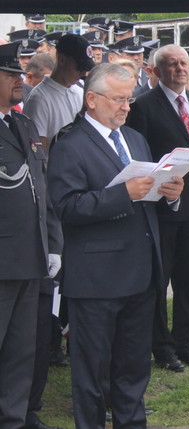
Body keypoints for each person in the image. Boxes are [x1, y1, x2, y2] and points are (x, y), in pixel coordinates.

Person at [48, 63, 183, 429]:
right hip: (96, 280)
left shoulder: (134, 139)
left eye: (129, 99)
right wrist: (122, 194)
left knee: (133, 368)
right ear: (91, 100)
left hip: (140, 274)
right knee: (91, 374)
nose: (126, 107)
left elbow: (146, 197)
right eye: (119, 100)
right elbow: (66, 207)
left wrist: (169, 193)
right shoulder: (70, 143)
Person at [127, 44, 189, 372]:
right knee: (160, 281)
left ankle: (184, 342)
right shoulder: (143, 107)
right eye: (172, 65)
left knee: (188, 280)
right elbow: (138, 159)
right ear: (156, 71)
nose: (180, 69)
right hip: (161, 211)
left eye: (183, 63)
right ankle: (162, 348)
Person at [0, 42, 62, 429]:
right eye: (10, 75)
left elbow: (43, 190)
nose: (20, 81)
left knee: (22, 347)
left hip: (32, 255)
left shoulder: (22, 124)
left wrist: (53, 243)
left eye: (19, 74)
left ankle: (14, 415)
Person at [24, 33, 95, 151]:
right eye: (79, 68)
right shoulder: (39, 99)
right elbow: (37, 149)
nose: (83, 74)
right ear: (62, 60)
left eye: (85, 69)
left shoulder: (80, 93)